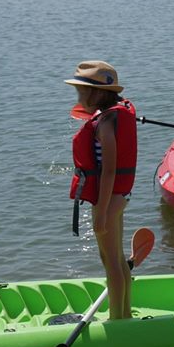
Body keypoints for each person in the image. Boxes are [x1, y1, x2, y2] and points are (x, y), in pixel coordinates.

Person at [65, 61, 137, 320]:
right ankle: (124, 312)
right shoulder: (113, 116)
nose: (78, 97)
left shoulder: (106, 124)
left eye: (81, 92)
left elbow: (108, 170)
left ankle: (117, 319)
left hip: (110, 198)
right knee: (116, 258)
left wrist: (101, 212)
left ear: (96, 94)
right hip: (120, 195)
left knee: (111, 261)